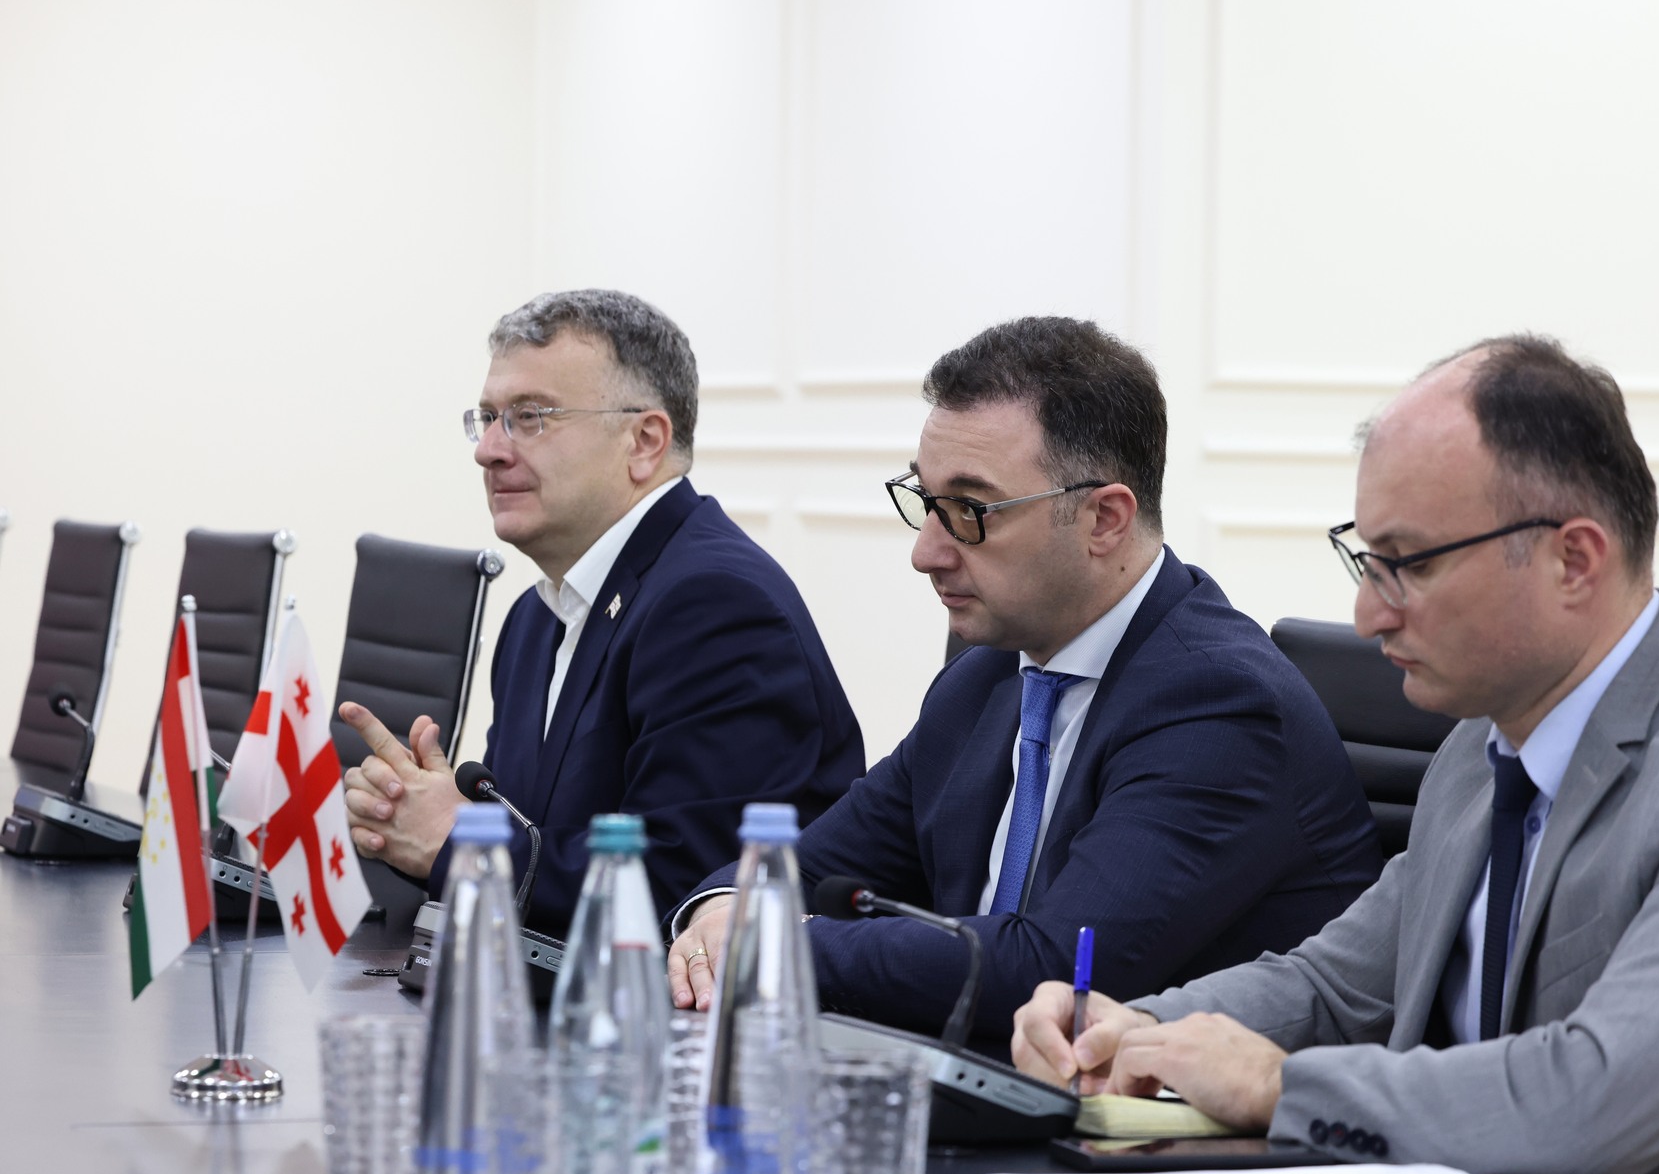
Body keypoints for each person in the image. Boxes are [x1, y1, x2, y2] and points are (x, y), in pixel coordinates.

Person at [1011, 335, 1659, 1174]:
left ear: (1573, 559)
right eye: (1366, 559)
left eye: (1406, 564)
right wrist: (1140, 1031)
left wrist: (1278, 1085)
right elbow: (1334, 985)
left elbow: (1596, 1099)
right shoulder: (1481, 750)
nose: (1367, 614)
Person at [665, 316, 1384, 1045]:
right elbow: (807, 867)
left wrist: (776, 944)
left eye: (968, 511)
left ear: (1105, 519)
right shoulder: (986, 676)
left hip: (1166, 1108)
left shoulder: (1219, 703)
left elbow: (1049, 973)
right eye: (924, 501)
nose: (925, 552)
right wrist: (723, 911)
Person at [341, 290, 864, 936]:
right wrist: (413, 815)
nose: (489, 449)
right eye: (489, 417)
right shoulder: (535, 617)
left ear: (644, 441)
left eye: (530, 416)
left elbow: (681, 888)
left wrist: (457, 843)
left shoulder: (716, 605)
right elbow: (535, 841)